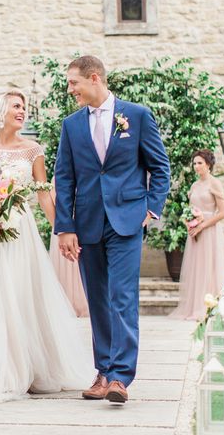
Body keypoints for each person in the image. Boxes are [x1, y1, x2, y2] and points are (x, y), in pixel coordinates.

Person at [0, 89, 93, 404]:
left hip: (19, 230)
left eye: (23, 107)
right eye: (16, 106)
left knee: (20, 293)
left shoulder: (33, 150)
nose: (22, 111)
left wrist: (63, 230)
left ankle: (28, 367)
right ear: (0, 109)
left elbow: (44, 194)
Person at [54, 55, 170, 404]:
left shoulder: (136, 115)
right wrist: (65, 227)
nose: (70, 89)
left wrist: (151, 208)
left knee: (122, 297)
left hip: (126, 221)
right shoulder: (71, 126)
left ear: (94, 78)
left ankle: (120, 376)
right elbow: (64, 177)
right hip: (88, 223)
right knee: (98, 302)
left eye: (74, 82)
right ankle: (103, 372)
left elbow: (159, 167)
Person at [169, 149, 224, 321]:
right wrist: (189, 221)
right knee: (197, 268)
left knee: (210, 267)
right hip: (195, 232)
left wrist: (202, 224)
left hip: (209, 231)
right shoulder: (194, 186)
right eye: (194, 163)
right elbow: (191, 209)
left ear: (208, 165)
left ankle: (211, 306)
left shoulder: (215, 184)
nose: (196, 166)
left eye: (200, 163)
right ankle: (196, 307)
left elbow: (223, 213)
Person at [48, 180, 89, 317]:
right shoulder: (60, 174)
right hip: (63, 223)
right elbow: (53, 193)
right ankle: (65, 302)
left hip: (84, 219)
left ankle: (84, 300)